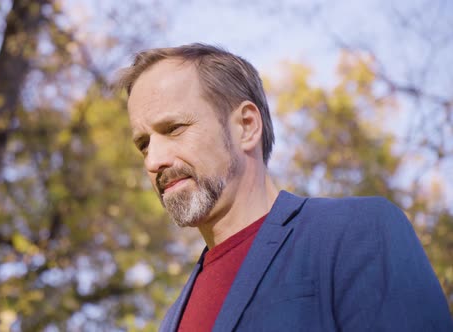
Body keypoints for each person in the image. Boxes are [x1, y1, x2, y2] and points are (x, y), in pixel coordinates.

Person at [117, 43, 452, 331]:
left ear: (246, 126)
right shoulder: (173, 318)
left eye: (173, 128)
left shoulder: (359, 231)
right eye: (144, 144)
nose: (153, 160)